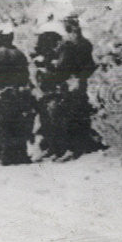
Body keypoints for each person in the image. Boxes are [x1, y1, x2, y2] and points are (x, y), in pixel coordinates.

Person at [0, 23, 36, 165]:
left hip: (4, 92)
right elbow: (25, 75)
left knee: (5, 124)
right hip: (18, 92)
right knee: (18, 124)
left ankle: (6, 157)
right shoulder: (20, 53)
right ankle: (21, 155)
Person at [57, 15, 104, 158]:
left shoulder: (70, 44)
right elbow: (90, 65)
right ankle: (81, 146)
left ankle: (73, 148)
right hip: (80, 82)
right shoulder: (85, 43)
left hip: (73, 82)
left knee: (70, 114)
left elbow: (64, 65)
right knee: (79, 114)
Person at [31, 20, 68, 159]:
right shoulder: (43, 53)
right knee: (46, 120)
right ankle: (50, 147)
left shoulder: (59, 52)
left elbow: (60, 70)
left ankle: (59, 149)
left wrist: (46, 64)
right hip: (45, 89)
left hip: (54, 90)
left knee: (54, 120)